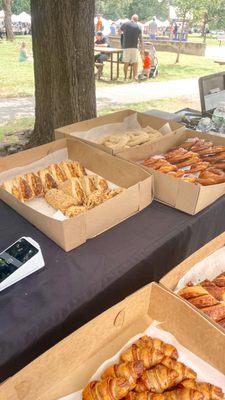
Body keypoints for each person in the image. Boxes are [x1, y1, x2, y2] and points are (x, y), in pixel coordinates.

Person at [120, 14, 144, 81]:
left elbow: (119, 31)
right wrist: (142, 48)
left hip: (126, 47)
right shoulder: (138, 26)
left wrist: (123, 34)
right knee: (135, 62)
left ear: (131, 18)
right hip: (134, 47)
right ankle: (135, 77)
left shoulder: (125, 24)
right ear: (137, 20)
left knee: (126, 62)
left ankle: (125, 77)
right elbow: (141, 39)